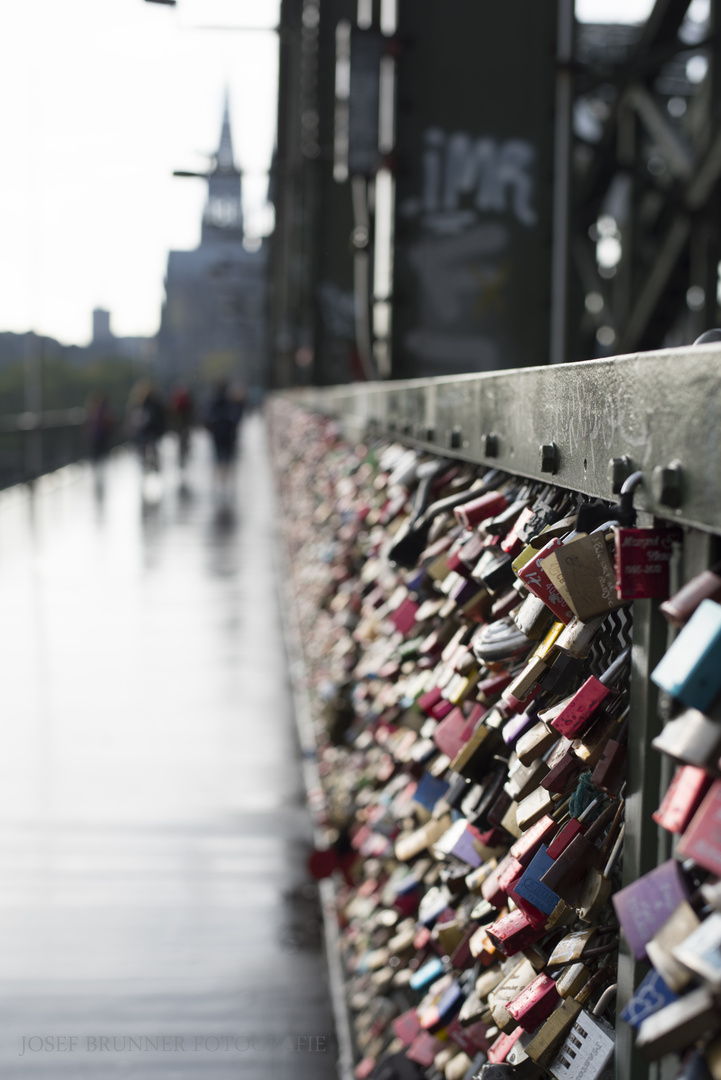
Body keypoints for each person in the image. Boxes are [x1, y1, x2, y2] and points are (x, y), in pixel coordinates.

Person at [204, 381, 244, 489]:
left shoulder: (214, 403)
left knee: (220, 458)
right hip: (227, 436)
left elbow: (207, 418)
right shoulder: (229, 403)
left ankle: (223, 482)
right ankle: (224, 481)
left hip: (220, 436)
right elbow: (236, 418)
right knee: (226, 458)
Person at [127, 380, 167, 473]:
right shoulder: (155, 402)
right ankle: (154, 467)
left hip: (145, 432)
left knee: (144, 451)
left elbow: (132, 420)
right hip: (151, 431)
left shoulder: (137, 403)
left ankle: (147, 468)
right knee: (151, 449)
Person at [168, 384, 194, 468]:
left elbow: (172, 414)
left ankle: (181, 458)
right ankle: (185, 456)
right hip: (185, 425)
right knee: (185, 440)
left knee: (180, 442)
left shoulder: (175, 402)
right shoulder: (188, 401)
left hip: (179, 425)